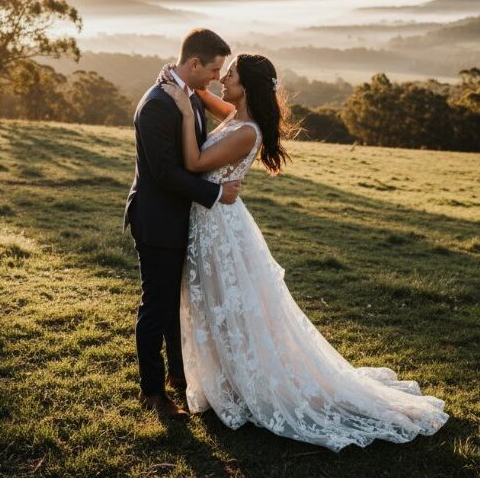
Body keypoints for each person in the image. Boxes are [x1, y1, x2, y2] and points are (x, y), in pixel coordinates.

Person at [159, 53, 450, 451]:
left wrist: (179, 106)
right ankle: (224, 378)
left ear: (246, 87)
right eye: (222, 75)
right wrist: (192, 87)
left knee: (231, 306)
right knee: (218, 305)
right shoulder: (236, 113)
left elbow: (193, 162)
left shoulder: (247, 131)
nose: (221, 81)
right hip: (212, 221)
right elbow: (218, 103)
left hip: (220, 230)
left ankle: (247, 383)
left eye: (229, 77)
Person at [124, 28, 241, 419]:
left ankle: (178, 374)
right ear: (193, 64)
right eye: (212, 69)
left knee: (177, 303)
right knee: (156, 306)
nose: (214, 78)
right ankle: (152, 392)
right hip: (156, 220)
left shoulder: (186, 95)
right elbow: (164, 174)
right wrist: (214, 194)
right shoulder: (159, 103)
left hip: (177, 219)